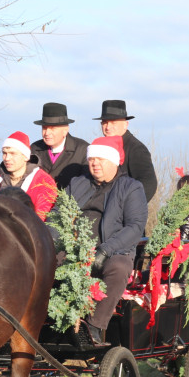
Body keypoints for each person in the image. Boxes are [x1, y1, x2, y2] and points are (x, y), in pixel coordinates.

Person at [63, 135, 147, 344]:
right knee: (44, 261)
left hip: (114, 251)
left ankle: (94, 327)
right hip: (75, 248)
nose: (95, 163)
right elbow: (58, 215)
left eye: (101, 159)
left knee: (118, 268)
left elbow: (135, 226)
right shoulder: (77, 184)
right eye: (92, 159)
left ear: (114, 161)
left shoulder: (131, 187)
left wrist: (105, 250)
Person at [0, 131, 58, 220]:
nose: (7, 158)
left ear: (26, 157)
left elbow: (41, 218)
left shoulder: (43, 182)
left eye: (12, 153)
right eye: (4, 153)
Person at [95, 100, 158, 204]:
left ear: (126, 124)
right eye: (105, 123)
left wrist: (128, 207)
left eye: (113, 122)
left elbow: (148, 184)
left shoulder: (136, 149)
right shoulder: (100, 148)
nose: (108, 127)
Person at [30, 102, 89, 189]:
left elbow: (86, 185)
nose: (47, 133)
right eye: (44, 128)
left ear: (65, 130)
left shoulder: (82, 150)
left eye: (52, 128)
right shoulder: (34, 149)